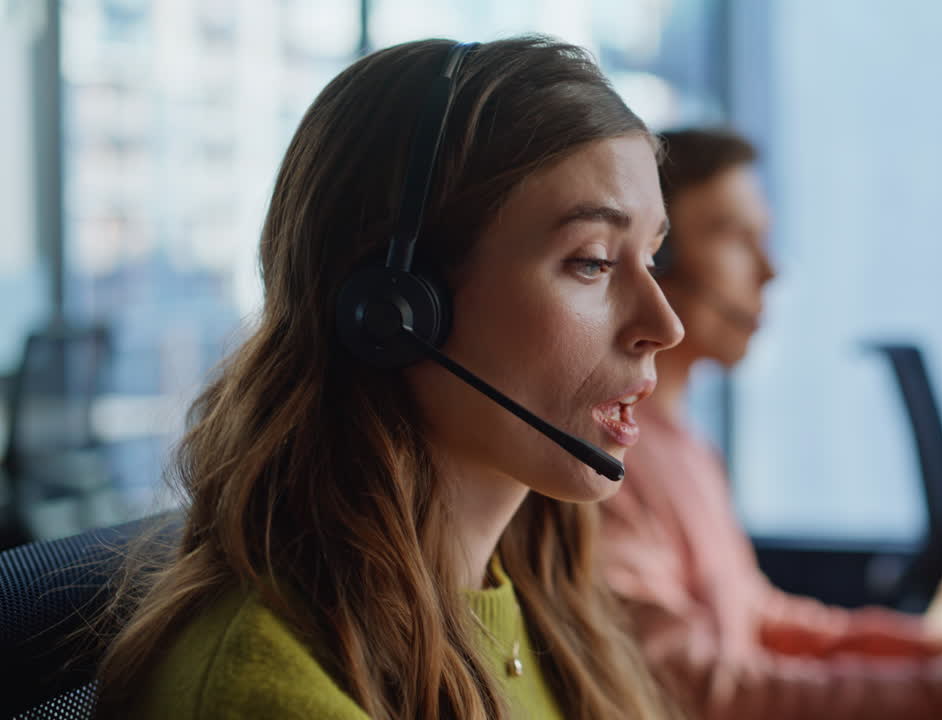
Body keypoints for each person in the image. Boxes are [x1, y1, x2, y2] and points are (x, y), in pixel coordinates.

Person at [92, 37, 687, 720]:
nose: (665, 324)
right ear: (395, 311)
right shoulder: (269, 689)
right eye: (592, 262)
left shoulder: (546, 592)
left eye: (653, 256)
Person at [599, 128, 942, 720]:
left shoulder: (684, 443)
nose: (770, 270)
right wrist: (935, 692)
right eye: (735, 237)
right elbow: (696, 690)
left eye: (766, 237)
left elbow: (754, 620)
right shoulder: (607, 463)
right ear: (656, 260)